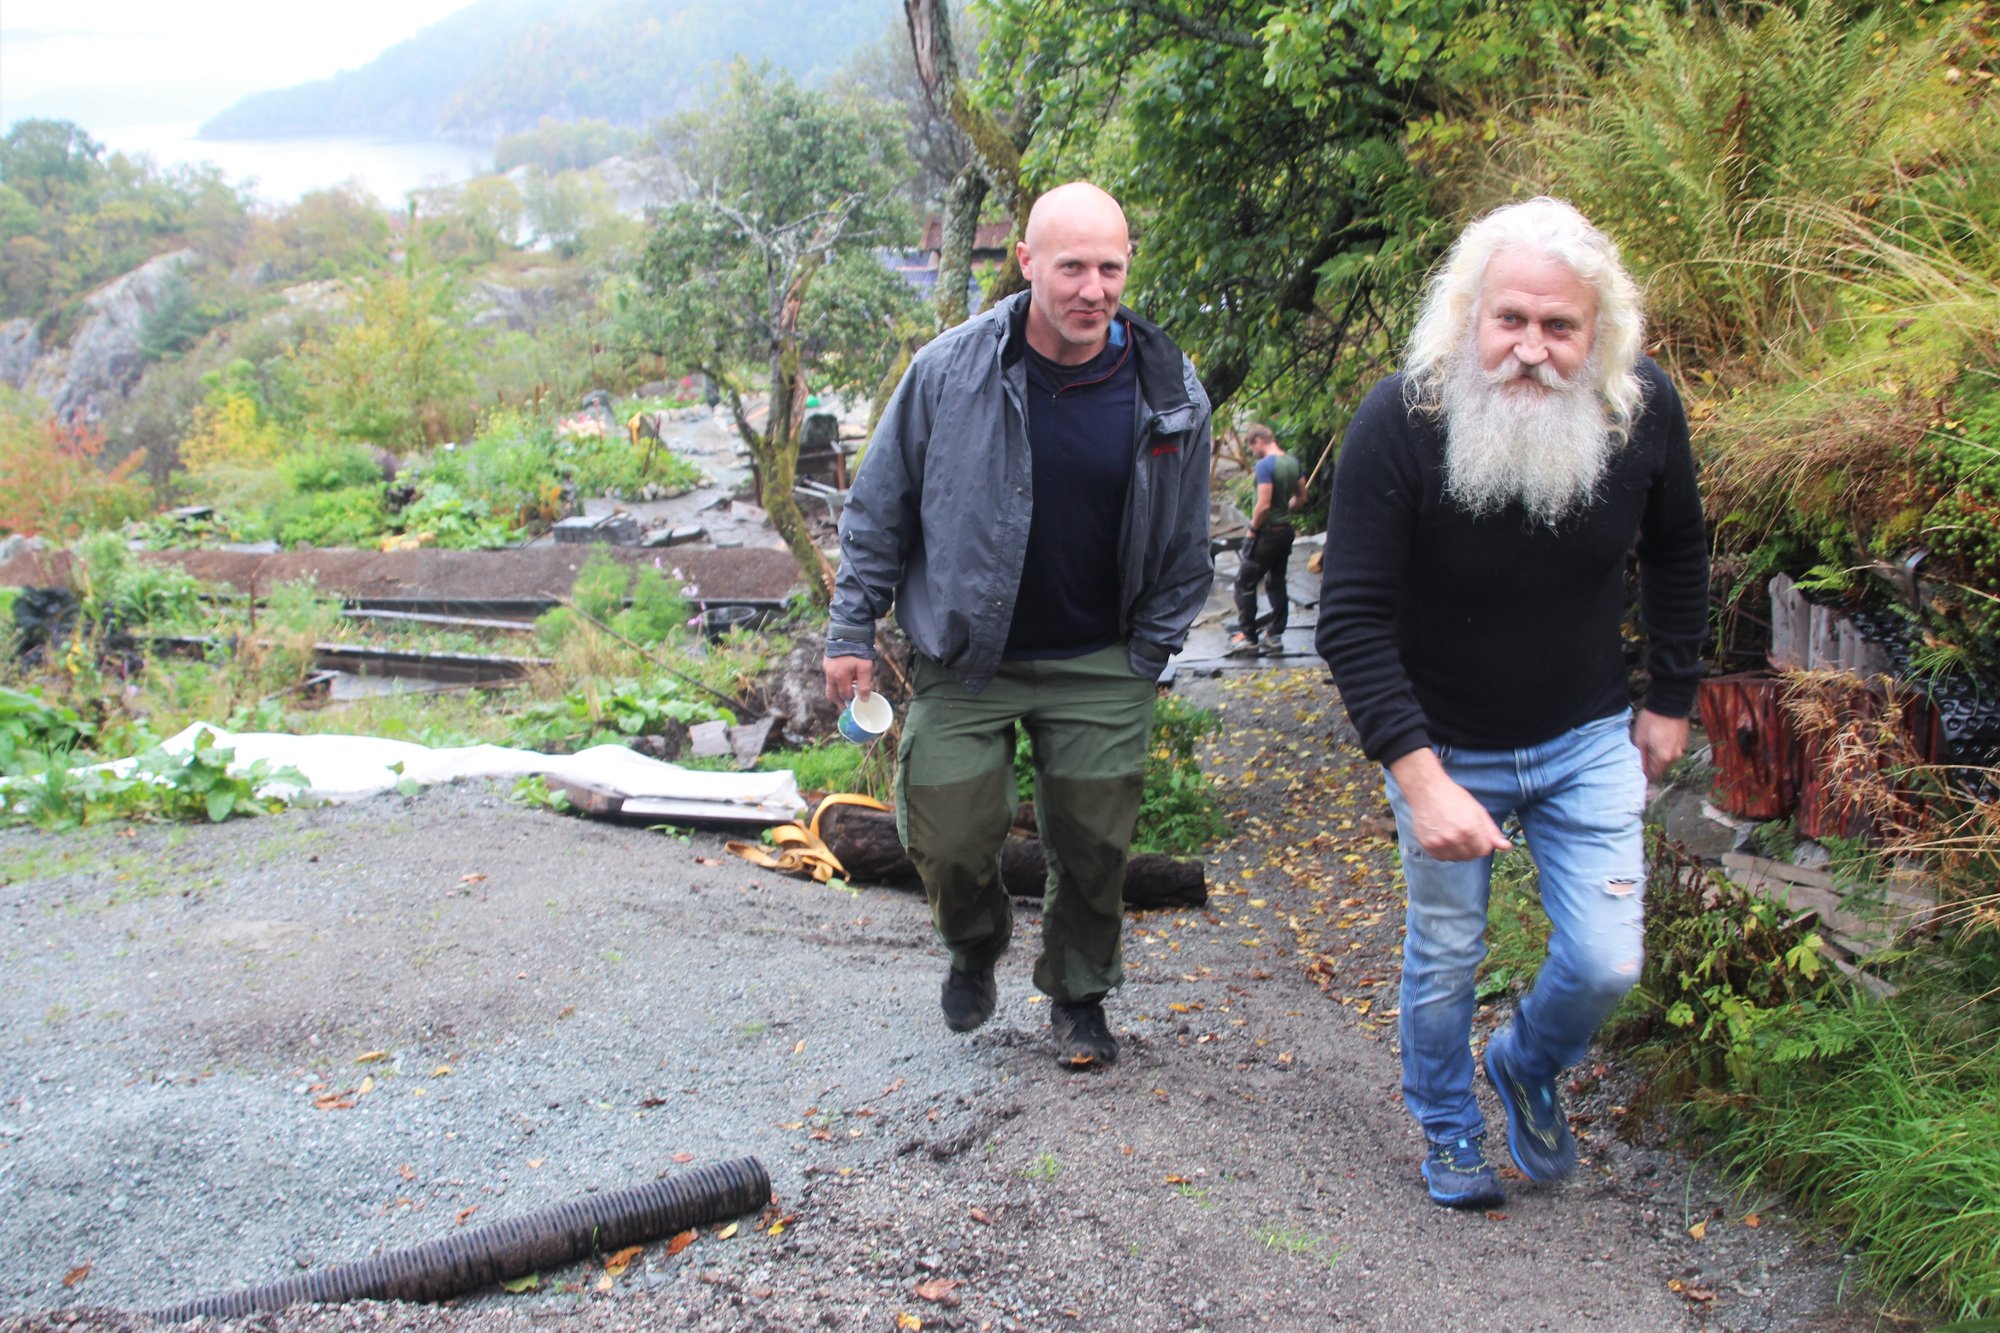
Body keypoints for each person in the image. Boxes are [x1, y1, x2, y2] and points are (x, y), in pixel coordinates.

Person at [1315, 197, 1708, 1208]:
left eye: (1557, 327)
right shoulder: (1398, 423)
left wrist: (1669, 696)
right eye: (1509, 322)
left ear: (1596, 334)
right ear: (1467, 318)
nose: (1530, 349)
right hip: (1444, 743)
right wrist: (1419, 777)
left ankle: (1526, 1062)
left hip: (1584, 735)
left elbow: (1675, 548)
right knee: (1445, 956)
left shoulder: (1642, 412)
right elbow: (1349, 620)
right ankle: (1448, 1130)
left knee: (1605, 962)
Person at [824, 181, 1214, 1069]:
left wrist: (1146, 652)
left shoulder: (1167, 386)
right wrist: (852, 632)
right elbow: (879, 509)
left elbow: (1189, 541)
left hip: (1101, 656)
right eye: (1071, 266)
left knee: (1094, 844)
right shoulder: (948, 372)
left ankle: (1079, 996)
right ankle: (973, 939)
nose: (1092, 288)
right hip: (969, 656)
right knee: (947, 833)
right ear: (1028, 262)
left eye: (1110, 267)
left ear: (1127, 268)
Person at [1228, 423, 1307, 655]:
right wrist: (1285, 511)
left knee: (1245, 582)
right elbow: (1302, 497)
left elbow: (1262, 505)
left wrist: (1252, 529)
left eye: (1252, 447)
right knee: (1276, 581)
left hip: (1267, 534)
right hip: (1286, 532)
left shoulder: (1265, 466)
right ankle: (1274, 635)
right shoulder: (1293, 463)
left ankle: (1249, 637)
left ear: (1259, 441)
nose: (1253, 452)